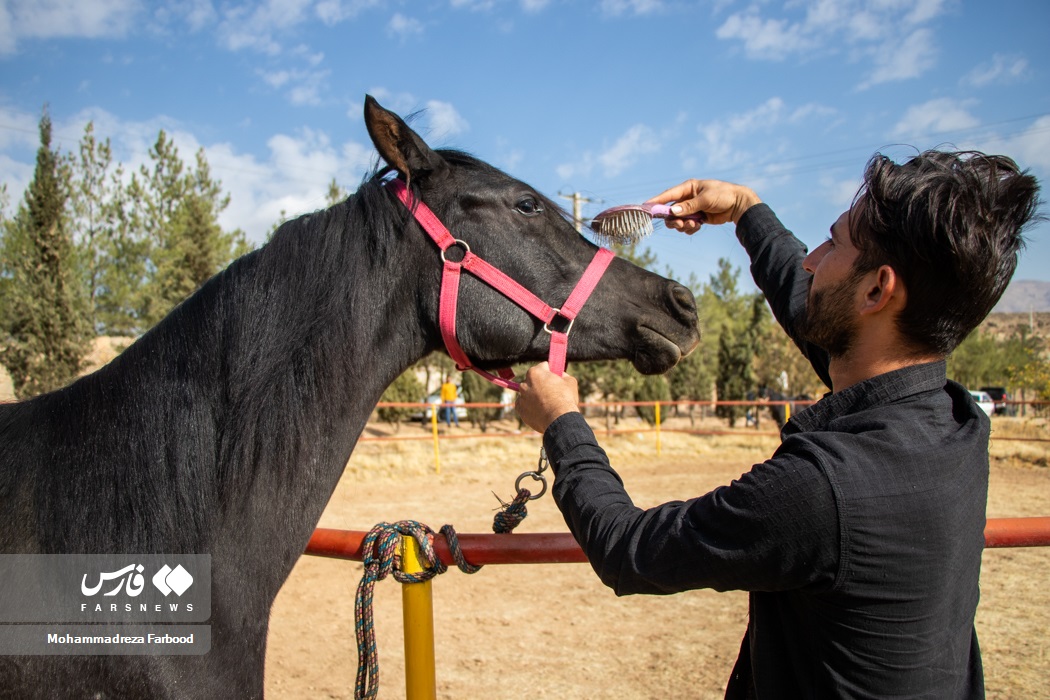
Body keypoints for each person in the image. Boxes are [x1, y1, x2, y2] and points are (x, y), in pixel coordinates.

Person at [515, 150, 1042, 698]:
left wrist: (561, 423)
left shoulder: (824, 487)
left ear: (877, 290)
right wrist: (745, 210)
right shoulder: (955, 421)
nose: (812, 260)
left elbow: (630, 551)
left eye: (833, 243)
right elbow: (812, 308)